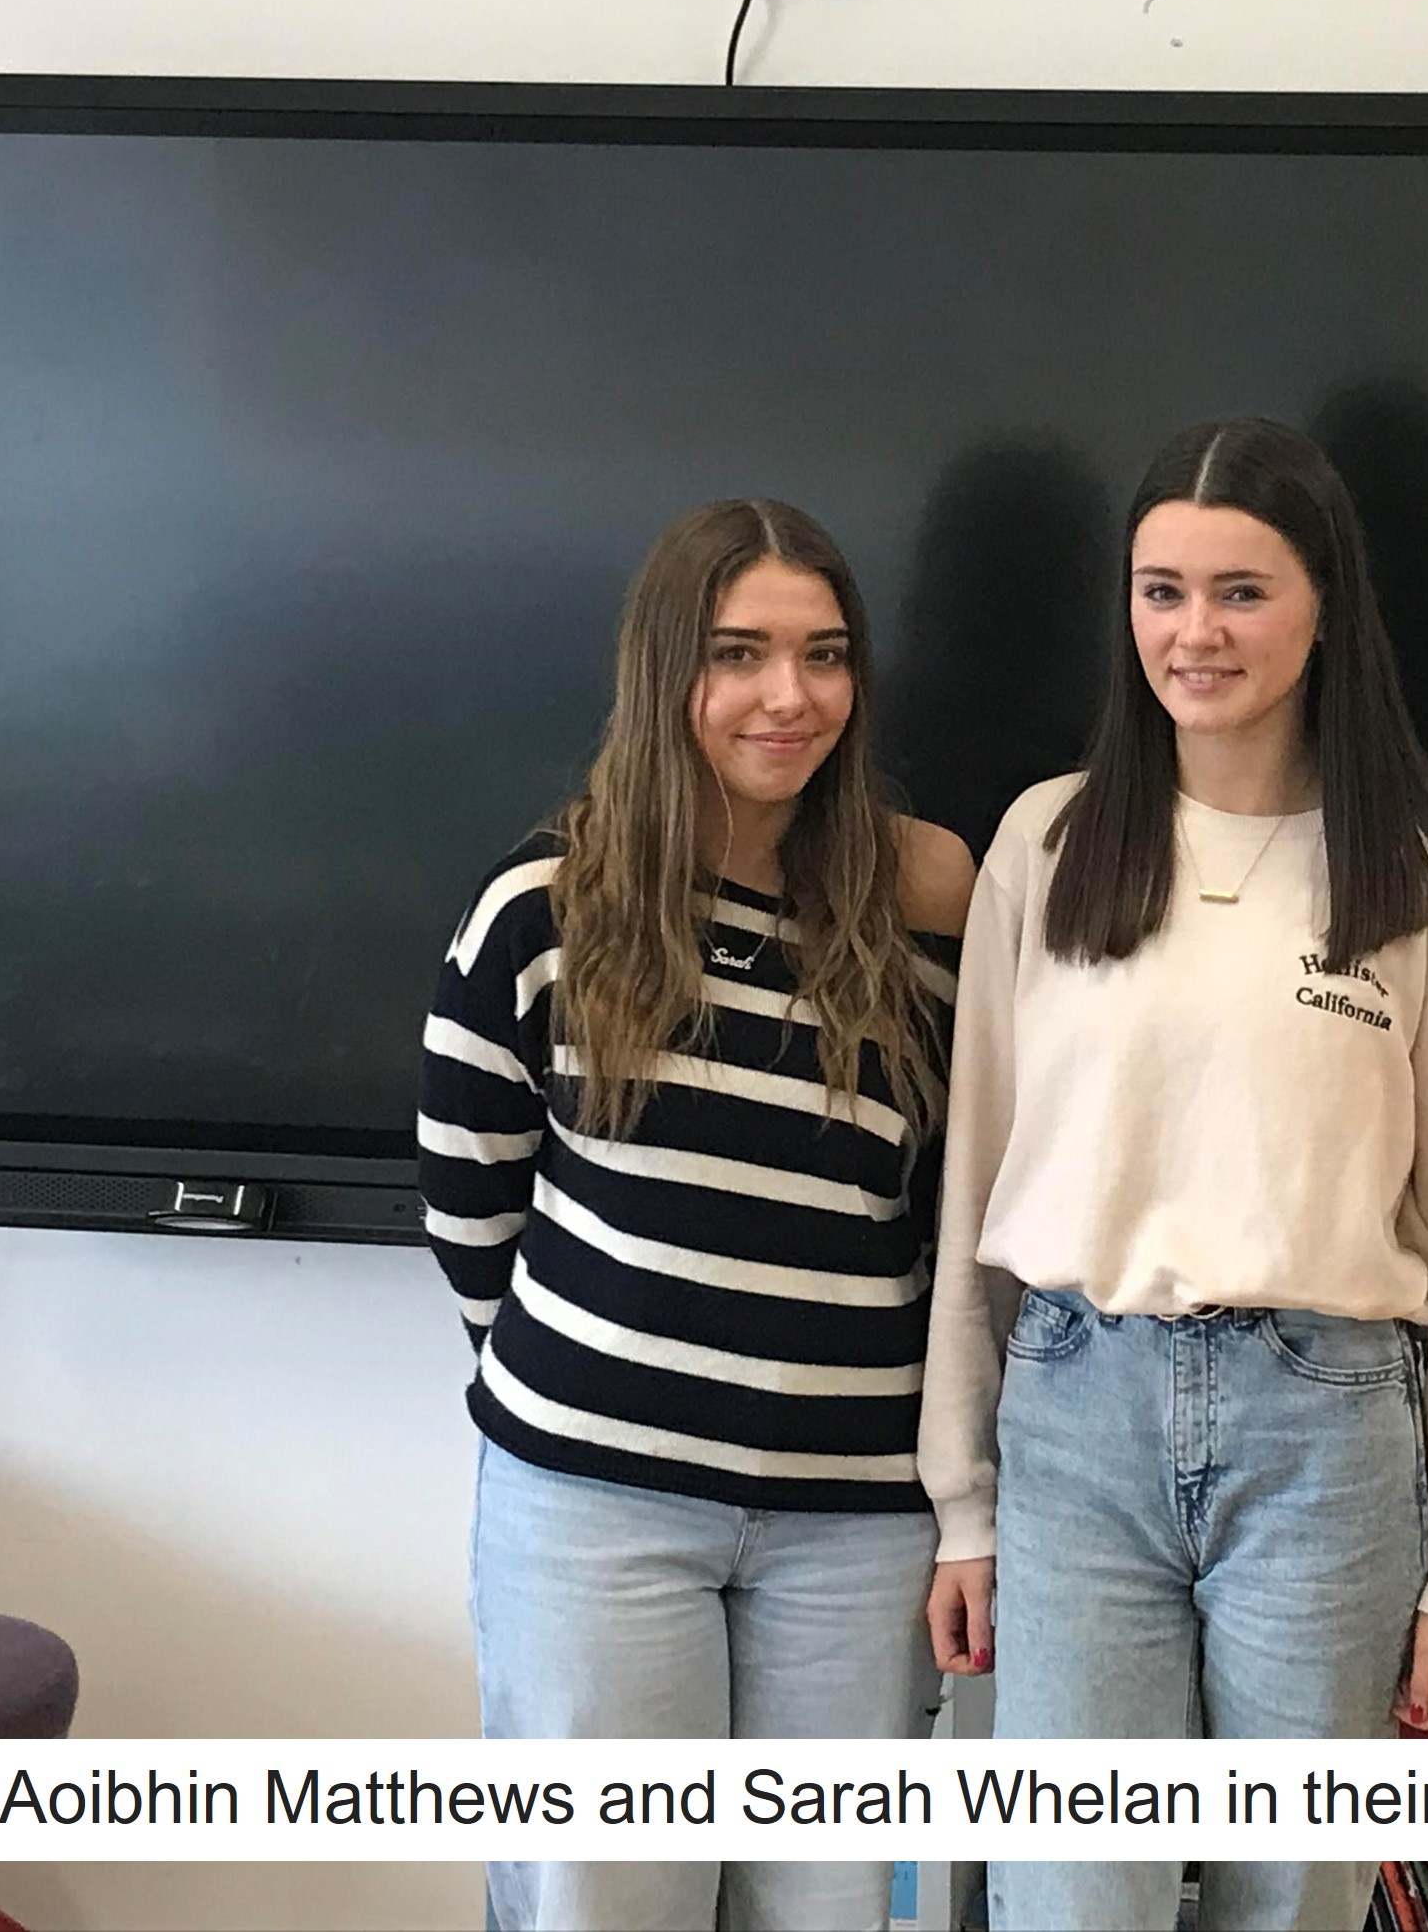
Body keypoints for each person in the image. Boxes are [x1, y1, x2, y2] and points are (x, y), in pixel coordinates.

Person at [921, 417, 1428, 1932]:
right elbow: (976, 1192)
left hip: (1324, 1436)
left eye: (1242, 591)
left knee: (1288, 1901)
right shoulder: (1049, 842)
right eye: (1160, 589)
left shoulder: (1427, 873)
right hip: (1075, 1423)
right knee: (1073, 1897)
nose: (1195, 632)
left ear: (1325, 603)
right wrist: (965, 1503)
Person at [421, 497, 973, 1932]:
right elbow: (469, 1192)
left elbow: (951, 1210)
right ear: (668, 669)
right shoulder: (546, 905)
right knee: (604, 1903)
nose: (789, 698)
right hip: (596, 1510)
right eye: (740, 654)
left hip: (855, 1528)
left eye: (825, 653)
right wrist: (600, 1377)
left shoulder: (925, 906)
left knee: (826, 1906)